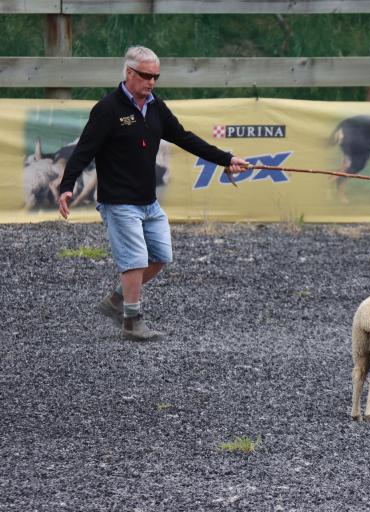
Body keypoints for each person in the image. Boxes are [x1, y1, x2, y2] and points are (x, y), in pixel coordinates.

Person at [58, 45, 248, 341]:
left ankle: (117, 300)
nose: (152, 82)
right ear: (129, 73)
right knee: (134, 260)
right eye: (146, 75)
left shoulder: (156, 106)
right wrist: (67, 186)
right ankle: (132, 321)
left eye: (156, 76)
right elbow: (84, 150)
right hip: (119, 201)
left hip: (148, 200)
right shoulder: (107, 109)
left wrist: (226, 158)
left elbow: (184, 137)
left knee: (159, 256)